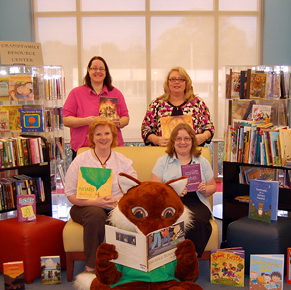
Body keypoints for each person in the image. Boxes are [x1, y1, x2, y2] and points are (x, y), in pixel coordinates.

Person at [65, 118, 137, 273]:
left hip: (115, 205)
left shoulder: (123, 161)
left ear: (113, 136)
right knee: (95, 214)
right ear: (91, 137)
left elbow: (134, 190)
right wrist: (95, 202)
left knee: (119, 216)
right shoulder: (81, 160)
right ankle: (91, 267)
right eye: (98, 134)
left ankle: (118, 266)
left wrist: (117, 201)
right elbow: (70, 193)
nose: (103, 138)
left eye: (107, 133)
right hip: (85, 206)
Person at [150, 123, 217, 257]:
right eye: (178, 139)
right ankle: (170, 258)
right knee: (171, 219)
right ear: (173, 141)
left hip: (197, 201)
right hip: (171, 202)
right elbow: (154, 189)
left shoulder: (202, 161)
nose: (183, 142)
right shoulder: (163, 161)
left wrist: (205, 189)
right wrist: (172, 191)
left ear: (192, 141)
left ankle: (190, 258)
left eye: (187, 139)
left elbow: (213, 187)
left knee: (197, 221)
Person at [63, 56, 130, 157]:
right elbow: (66, 120)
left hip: (112, 150)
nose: (98, 71)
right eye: (94, 68)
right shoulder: (76, 93)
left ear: (106, 72)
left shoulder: (116, 93)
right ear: (88, 70)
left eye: (101, 69)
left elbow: (126, 118)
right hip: (84, 150)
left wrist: (119, 122)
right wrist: (86, 121)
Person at [141, 66, 215, 147]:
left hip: (193, 154)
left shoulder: (198, 104)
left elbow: (209, 127)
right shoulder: (156, 105)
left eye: (180, 79)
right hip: (163, 154)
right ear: (167, 83)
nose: (176, 82)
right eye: (173, 79)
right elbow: (145, 129)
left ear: (186, 83)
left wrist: (204, 137)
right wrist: (156, 139)